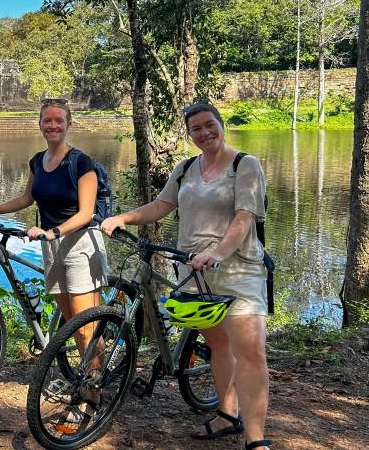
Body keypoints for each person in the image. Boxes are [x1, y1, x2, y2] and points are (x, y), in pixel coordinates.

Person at [100, 101, 270, 450]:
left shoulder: (245, 166)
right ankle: (226, 413)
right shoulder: (186, 168)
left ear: (221, 124)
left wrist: (218, 252)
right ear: (190, 134)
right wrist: (124, 218)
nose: (205, 133)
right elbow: (162, 206)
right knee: (218, 343)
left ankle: (256, 440)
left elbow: (244, 217)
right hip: (192, 271)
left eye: (210, 125)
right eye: (197, 128)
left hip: (238, 270)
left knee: (250, 351)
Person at [0, 98, 108, 391]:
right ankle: (88, 375)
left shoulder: (81, 162)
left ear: (69, 124)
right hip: (52, 246)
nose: (53, 125)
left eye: (59, 120)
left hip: (81, 245)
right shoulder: (37, 161)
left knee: (86, 329)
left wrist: (53, 232)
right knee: (72, 325)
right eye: (48, 120)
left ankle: (92, 394)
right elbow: (25, 199)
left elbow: (86, 213)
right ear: (40, 124)